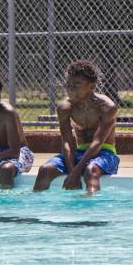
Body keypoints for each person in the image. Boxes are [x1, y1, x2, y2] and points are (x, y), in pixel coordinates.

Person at [33, 59, 119, 193]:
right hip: (78, 153)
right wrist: (72, 169)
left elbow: (98, 142)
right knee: (45, 170)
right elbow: (67, 141)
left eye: (76, 86)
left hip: (105, 153)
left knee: (90, 171)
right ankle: (36, 210)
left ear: (91, 86)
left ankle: (89, 209)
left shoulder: (107, 107)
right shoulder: (65, 107)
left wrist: (75, 172)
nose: (70, 90)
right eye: (68, 85)